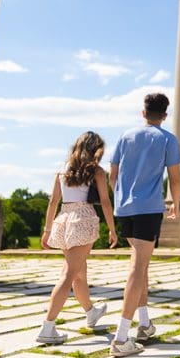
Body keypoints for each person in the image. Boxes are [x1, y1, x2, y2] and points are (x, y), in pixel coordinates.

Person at [108, 92, 180, 357]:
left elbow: (113, 173)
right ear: (164, 115)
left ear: (143, 113)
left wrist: (120, 197)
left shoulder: (126, 136)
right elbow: (175, 178)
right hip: (149, 208)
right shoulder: (167, 139)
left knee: (142, 265)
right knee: (137, 267)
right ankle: (120, 338)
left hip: (124, 208)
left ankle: (145, 323)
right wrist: (176, 202)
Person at [36, 130, 117, 345]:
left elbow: (53, 202)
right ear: (96, 150)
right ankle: (47, 327)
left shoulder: (62, 171)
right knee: (69, 273)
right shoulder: (97, 171)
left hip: (63, 219)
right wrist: (112, 229)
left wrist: (47, 229)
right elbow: (105, 202)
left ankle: (91, 312)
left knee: (79, 272)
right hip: (83, 218)